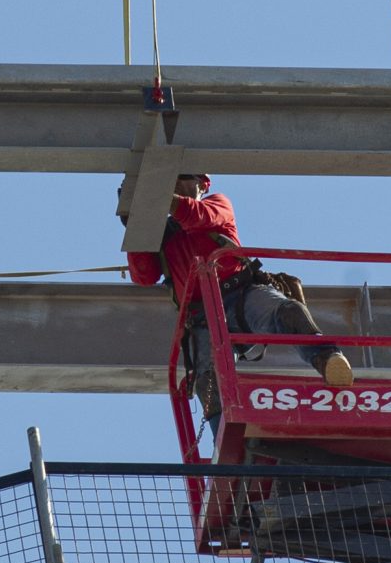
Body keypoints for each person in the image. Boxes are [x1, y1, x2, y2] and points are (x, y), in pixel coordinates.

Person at [124, 173, 352, 420]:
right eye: (172, 179)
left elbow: (197, 216)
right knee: (209, 382)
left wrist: (153, 198)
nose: (176, 184)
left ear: (203, 184)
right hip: (204, 316)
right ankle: (221, 435)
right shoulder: (163, 235)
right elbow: (144, 275)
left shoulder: (217, 203)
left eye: (183, 178)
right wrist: (138, 228)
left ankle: (329, 360)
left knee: (287, 312)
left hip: (242, 294)